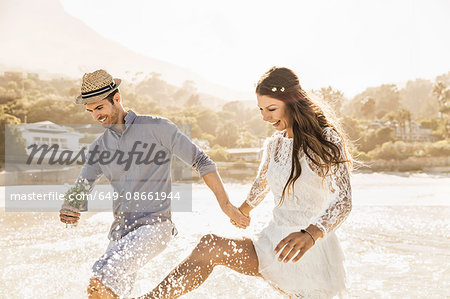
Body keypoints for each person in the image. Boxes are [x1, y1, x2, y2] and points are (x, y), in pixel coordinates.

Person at [137, 67, 353, 299]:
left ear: (292, 102)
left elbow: (344, 200)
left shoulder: (326, 138)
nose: (265, 117)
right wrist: (242, 211)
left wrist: (311, 233)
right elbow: (262, 183)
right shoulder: (275, 144)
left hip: (308, 249)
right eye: (261, 109)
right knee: (210, 245)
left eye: (271, 109)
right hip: (273, 243)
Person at [58, 69, 249, 299]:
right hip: (119, 236)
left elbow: (201, 161)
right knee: (103, 291)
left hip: (155, 227)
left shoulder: (158, 128)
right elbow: (83, 184)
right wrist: (71, 204)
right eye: (90, 111)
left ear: (116, 99)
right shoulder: (99, 147)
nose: (96, 116)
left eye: (100, 108)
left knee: (100, 278)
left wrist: (226, 206)